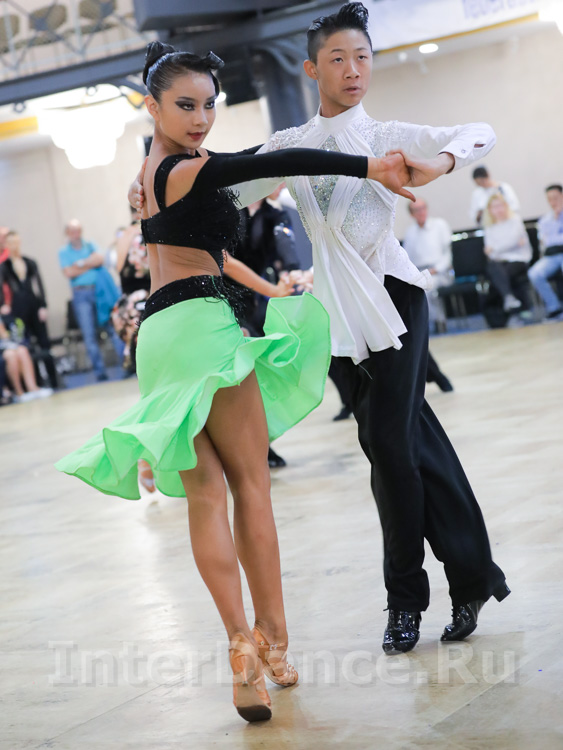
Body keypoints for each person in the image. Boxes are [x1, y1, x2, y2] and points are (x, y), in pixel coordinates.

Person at [57, 41, 417, 722]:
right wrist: (370, 164)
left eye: (209, 104)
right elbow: (275, 161)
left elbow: (210, 246)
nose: (201, 118)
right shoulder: (192, 167)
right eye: (185, 105)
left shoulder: (151, 171)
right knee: (251, 486)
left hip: (160, 338)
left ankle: (239, 651)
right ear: (153, 106)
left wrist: (268, 289)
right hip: (202, 326)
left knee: (204, 497)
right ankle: (273, 642)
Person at [209, 2, 510, 655]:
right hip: (337, 316)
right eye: (338, 59)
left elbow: (480, 131)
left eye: (362, 57)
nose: (353, 70)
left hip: (394, 299)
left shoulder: (385, 135)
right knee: (409, 444)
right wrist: (168, 181)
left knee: (390, 446)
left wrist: (441, 163)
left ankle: (405, 601)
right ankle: (473, 577)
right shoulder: (289, 146)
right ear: (311, 68)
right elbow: (227, 184)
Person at [58, 220, 124, 382]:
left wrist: (80, 264)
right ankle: (99, 371)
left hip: (99, 291)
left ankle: (126, 364)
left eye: (78, 230)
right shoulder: (64, 252)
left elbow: (100, 260)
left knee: (112, 327)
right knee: (89, 334)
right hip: (81, 294)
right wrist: (90, 262)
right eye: (73, 231)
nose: (76, 234)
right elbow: (69, 273)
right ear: (67, 233)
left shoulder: (90, 245)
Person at [0, 231, 58, 389]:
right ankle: (36, 382)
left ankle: (54, 381)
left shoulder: (29, 262)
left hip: (34, 306)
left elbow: (39, 285)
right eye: (10, 243)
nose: (14, 246)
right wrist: (3, 305)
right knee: (25, 345)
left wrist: (43, 305)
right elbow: (2, 287)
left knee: (44, 343)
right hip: (18, 310)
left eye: (16, 242)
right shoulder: (5, 267)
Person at [402, 198, 452, 333]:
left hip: (440, 271)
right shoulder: (410, 232)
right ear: (411, 214)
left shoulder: (440, 225)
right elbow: (407, 258)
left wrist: (436, 269)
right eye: (416, 210)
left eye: (423, 208)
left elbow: (447, 255)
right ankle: (415, 327)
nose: (421, 212)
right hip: (419, 272)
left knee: (428, 288)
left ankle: (438, 321)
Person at [483, 193, 533, 313]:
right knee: (493, 267)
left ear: (506, 206)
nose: (498, 209)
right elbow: (490, 253)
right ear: (490, 210)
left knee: (499, 276)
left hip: (519, 259)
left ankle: (509, 302)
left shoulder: (515, 220)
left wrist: (494, 248)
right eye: (495, 207)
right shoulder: (489, 227)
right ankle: (511, 300)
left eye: (500, 205)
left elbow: (513, 241)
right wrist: (503, 247)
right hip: (499, 262)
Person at [527, 184, 563, 320]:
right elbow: (546, 242)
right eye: (549, 199)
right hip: (551, 255)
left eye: (555, 198)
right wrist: (555, 219)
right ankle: (554, 308)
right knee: (534, 273)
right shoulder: (545, 220)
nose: (553, 202)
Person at [0, 318, 53, 402]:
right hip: (4, 352)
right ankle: (19, 393)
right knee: (11, 355)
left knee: (22, 351)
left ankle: (33, 388)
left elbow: (4, 335)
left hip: (6, 345)